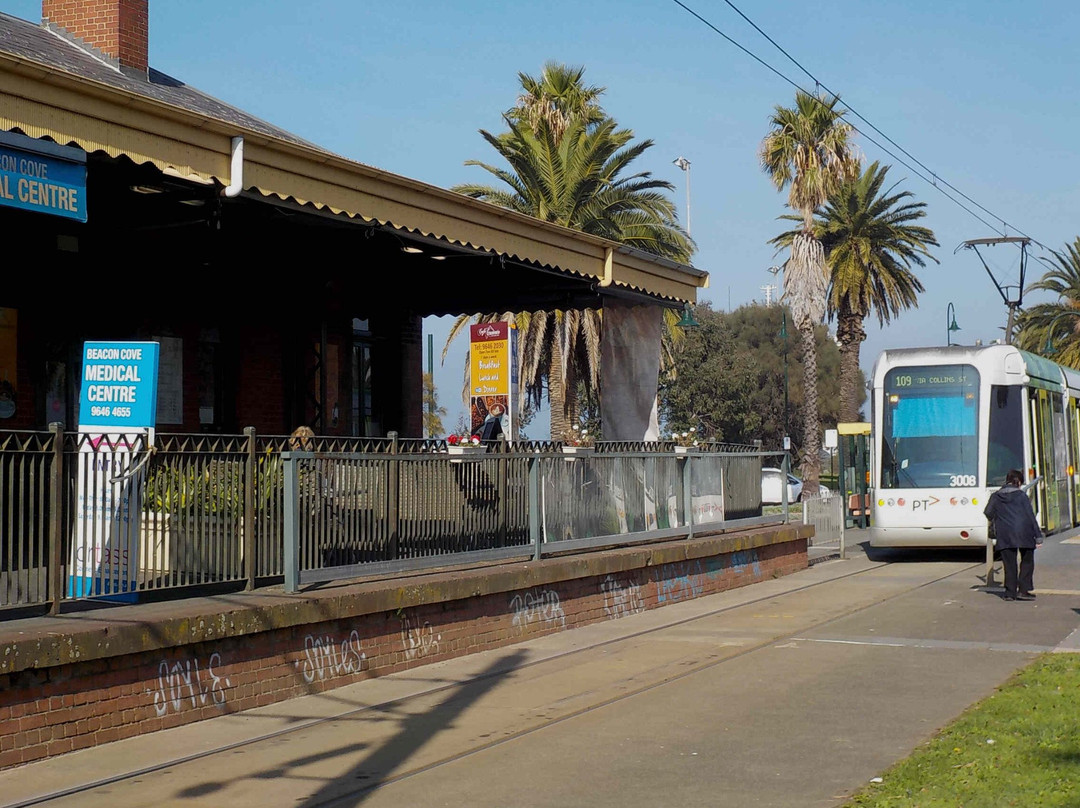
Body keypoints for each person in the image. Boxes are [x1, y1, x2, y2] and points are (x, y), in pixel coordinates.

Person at [983, 469, 1043, 601]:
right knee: (1027, 561)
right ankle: (1023, 590)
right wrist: (1038, 535)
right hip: (1024, 532)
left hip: (1005, 534)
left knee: (1009, 564)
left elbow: (988, 512)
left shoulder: (996, 496)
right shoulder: (1021, 496)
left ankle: (1010, 593)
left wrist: (999, 516)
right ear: (1019, 482)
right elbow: (1030, 516)